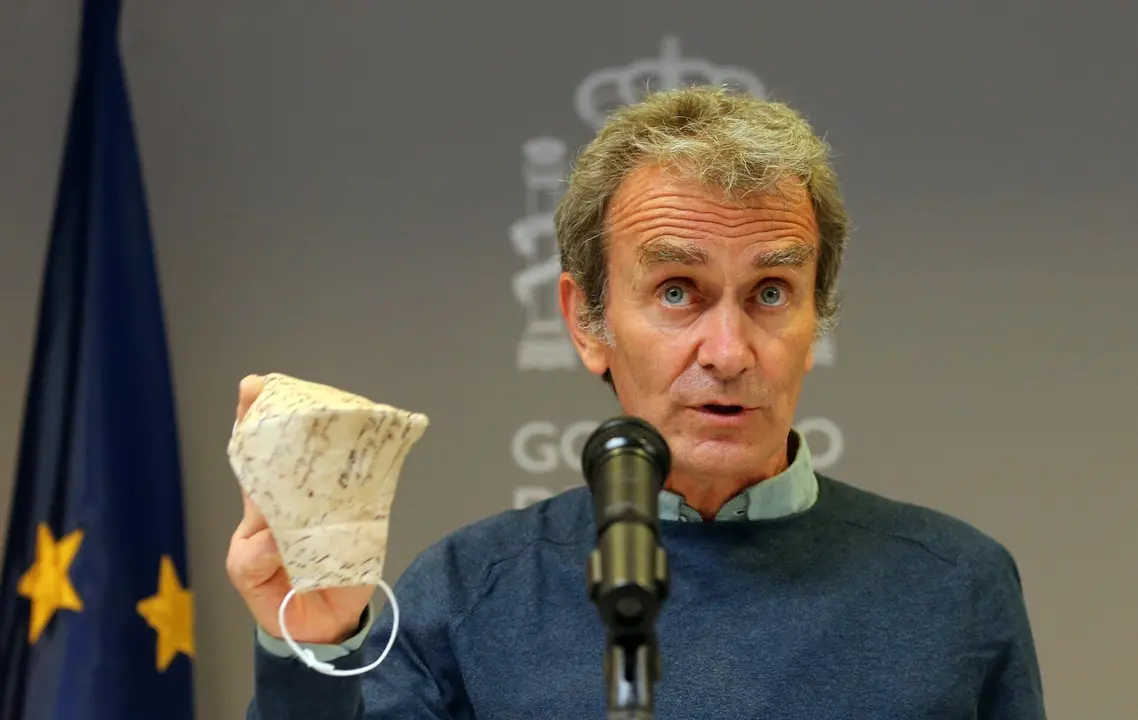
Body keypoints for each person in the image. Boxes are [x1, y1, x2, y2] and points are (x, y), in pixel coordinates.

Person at [227, 85, 1046, 719]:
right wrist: (316, 646)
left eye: (769, 291)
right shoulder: (468, 588)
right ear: (586, 323)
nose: (728, 353)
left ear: (815, 317)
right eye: (679, 291)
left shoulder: (956, 585)